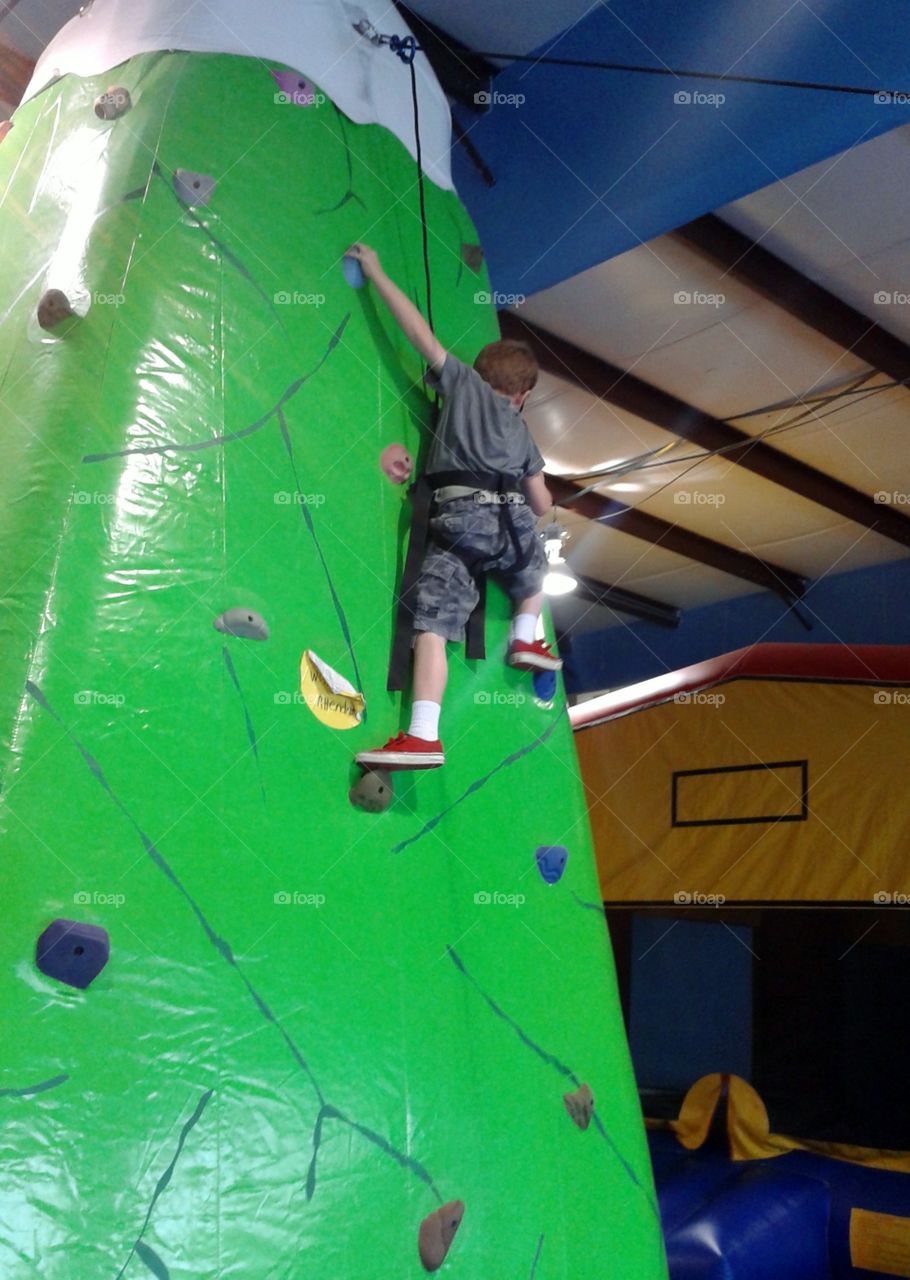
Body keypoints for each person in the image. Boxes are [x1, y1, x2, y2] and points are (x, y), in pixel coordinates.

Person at [348, 242, 562, 772]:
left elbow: (417, 333)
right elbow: (541, 503)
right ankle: (526, 637)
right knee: (534, 569)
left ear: (481, 375)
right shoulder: (524, 434)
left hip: (459, 522)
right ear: (523, 395)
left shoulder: (463, 385)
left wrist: (376, 271)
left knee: (433, 625)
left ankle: (424, 735)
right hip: (511, 523)